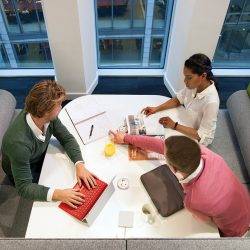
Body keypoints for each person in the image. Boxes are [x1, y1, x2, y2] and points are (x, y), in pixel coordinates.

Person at [109, 131, 250, 237]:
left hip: (233, 232)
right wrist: (126, 138)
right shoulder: (207, 154)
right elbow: (161, 145)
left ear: (175, 170)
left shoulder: (193, 200)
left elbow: (205, 220)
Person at [1, 80, 97, 209]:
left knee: (67, 178)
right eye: (58, 105)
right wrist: (59, 194)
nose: (61, 107)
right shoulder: (18, 144)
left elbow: (67, 138)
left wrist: (79, 164)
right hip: (24, 171)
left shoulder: (46, 117)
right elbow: (24, 188)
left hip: (39, 156)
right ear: (45, 111)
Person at [141, 53, 220, 146]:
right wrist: (156, 109)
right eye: (185, 76)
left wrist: (174, 125)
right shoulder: (194, 85)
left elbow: (201, 135)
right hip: (185, 123)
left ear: (203, 76)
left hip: (195, 137)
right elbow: (178, 99)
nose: (185, 81)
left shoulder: (212, 102)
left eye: (189, 77)